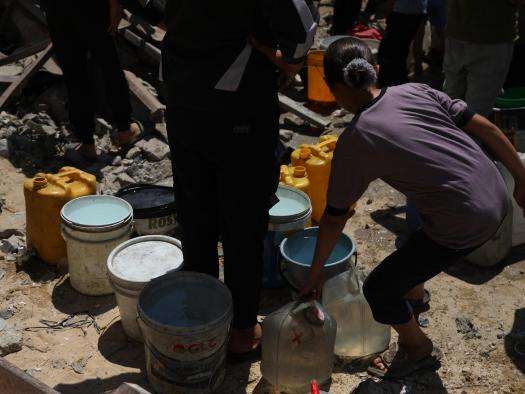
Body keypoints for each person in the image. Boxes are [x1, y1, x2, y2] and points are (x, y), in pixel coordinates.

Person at [300, 37, 525, 378]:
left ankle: (417, 348)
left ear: (332, 89)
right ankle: (416, 297)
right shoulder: (416, 90)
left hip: (467, 219)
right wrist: (522, 180)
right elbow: (489, 129)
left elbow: (334, 219)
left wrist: (313, 276)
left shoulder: (357, 140)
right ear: (374, 71)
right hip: (495, 190)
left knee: (377, 289)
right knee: (414, 244)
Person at [162, 0, 318, 358]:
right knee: (243, 221)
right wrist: (283, 57)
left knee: (196, 213)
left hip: (183, 96)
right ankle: (243, 332)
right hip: (240, 107)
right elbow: (300, 32)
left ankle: (204, 321)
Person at [41, 0, 142, 161]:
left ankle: (87, 143)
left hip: (57, 10)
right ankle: (124, 129)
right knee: (108, 66)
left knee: (75, 75)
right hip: (90, 8)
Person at [444, 0, 520, 117]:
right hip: (490, 38)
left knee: (451, 102)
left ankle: (448, 132)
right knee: (477, 111)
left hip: (456, 34)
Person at [377, 0, 427, 87]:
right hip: (417, 12)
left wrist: (388, 12)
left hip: (401, 13)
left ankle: (387, 83)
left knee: (388, 51)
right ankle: (400, 80)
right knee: (402, 49)